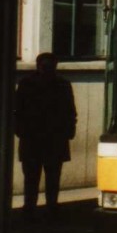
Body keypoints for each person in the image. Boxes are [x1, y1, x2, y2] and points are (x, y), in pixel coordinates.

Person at [15, 52, 77, 221]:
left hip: (44, 139)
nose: (47, 69)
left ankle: (41, 207)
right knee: (38, 177)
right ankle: (39, 207)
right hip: (41, 138)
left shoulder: (29, 83)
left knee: (44, 177)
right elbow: (17, 111)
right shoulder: (59, 84)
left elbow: (70, 112)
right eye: (45, 66)